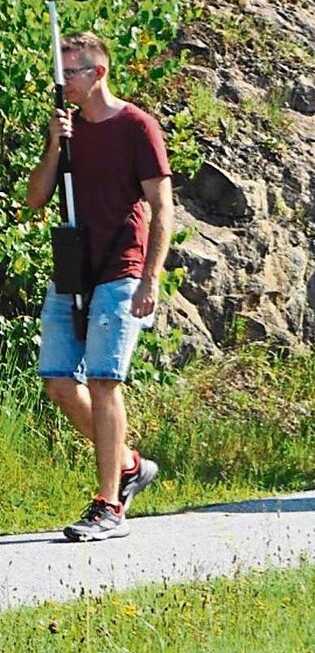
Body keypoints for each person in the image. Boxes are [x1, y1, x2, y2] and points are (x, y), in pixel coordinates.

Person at [27, 32, 172, 542]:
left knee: (106, 381)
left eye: (72, 73)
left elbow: (162, 208)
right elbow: (35, 198)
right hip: (72, 269)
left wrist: (149, 278)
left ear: (98, 73)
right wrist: (54, 143)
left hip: (121, 269)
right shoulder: (68, 130)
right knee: (59, 380)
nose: (62, 82)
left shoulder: (137, 127)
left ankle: (109, 504)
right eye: (60, 73)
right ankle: (129, 464)